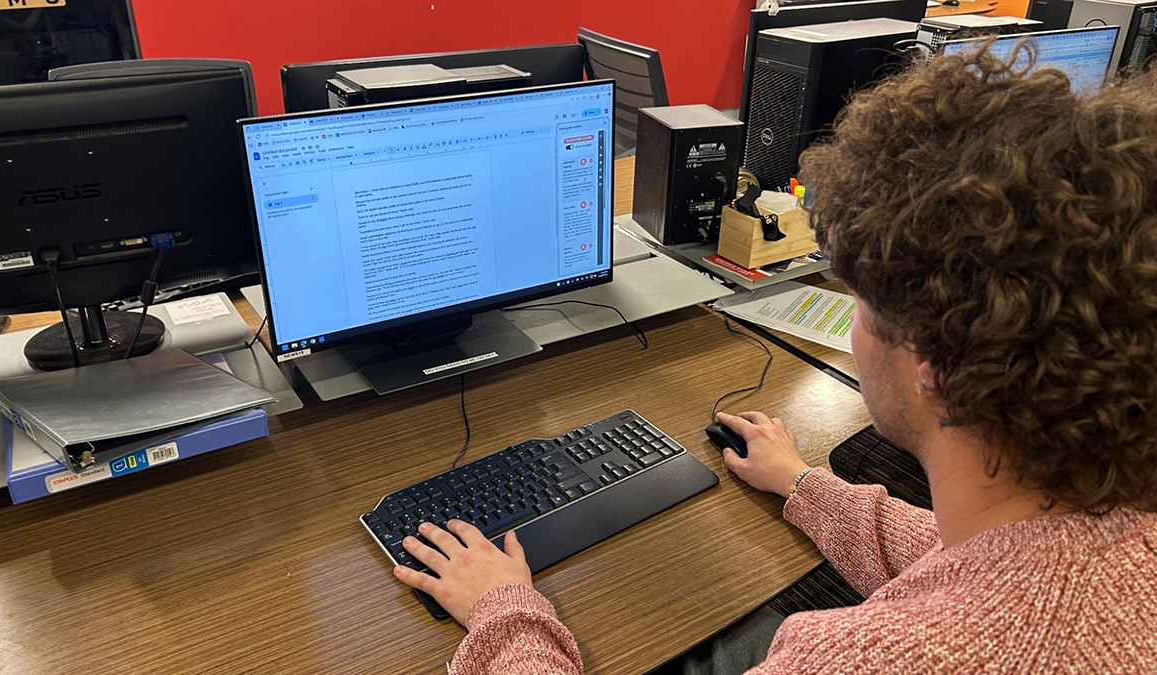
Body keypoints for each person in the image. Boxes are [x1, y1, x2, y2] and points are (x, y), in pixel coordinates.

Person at [393, 48, 1157, 674]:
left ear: (935, 365)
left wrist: (503, 610)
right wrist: (804, 483)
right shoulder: (1121, 541)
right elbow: (989, 568)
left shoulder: (863, 658)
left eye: (861, 301)